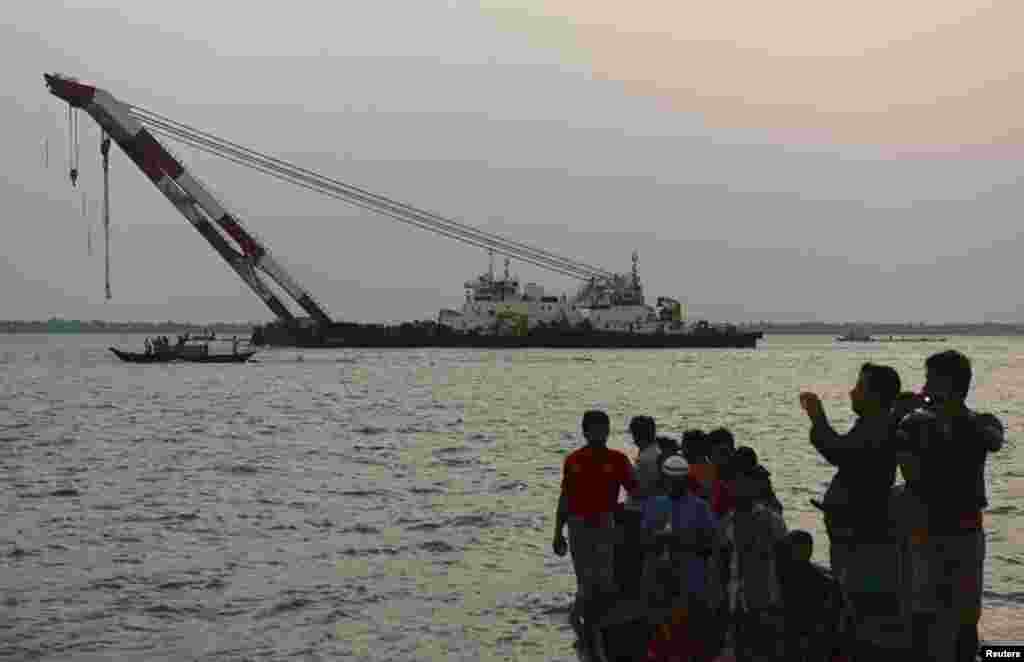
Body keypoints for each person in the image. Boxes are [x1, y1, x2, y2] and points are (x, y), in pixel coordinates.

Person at [893, 350, 1005, 662]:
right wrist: (897, 416)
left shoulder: (981, 422)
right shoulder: (915, 425)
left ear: (951, 384)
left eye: (931, 379)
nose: (925, 387)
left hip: (966, 533)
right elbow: (901, 463)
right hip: (926, 532)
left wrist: (949, 415)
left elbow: (994, 439)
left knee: (966, 617)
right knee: (923, 616)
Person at [800, 362, 902, 656]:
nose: (852, 392)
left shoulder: (879, 425)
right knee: (855, 605)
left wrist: (818, 418)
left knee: (863, 610)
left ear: (876, 395)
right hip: (853, 534)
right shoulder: (873, 424)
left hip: (861, 537)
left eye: (859, 387)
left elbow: (839, 451)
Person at [553, 410, 638, 648]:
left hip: (604, 522)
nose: (601, 433)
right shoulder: (573, 460)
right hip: (578, 525)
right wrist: (557, 532)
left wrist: (626, 513)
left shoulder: (618, 460)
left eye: (605, 428)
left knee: (605, 579)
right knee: (586, 579)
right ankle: (582, 626)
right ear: (585, 431)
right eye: (596, 429)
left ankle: (591, 627)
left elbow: (636, 490)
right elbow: (565, 497)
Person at [711, 452, 789, 662]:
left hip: (765, 601)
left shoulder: (771, 520)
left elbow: (784, 561)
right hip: (736, 601)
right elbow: (721, 563)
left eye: (742, 483)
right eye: (733, 484)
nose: (736, 489)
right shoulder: (727, 522)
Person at [639, 454, 717, 662]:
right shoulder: (653, 504)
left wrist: (682, 542)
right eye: (671, 480)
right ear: (665, 480)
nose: (674, 484)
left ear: (685, 480)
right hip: (660, 578)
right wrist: (658, 541)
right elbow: (644, 542)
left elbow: (710, 545)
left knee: (687, 634)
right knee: (660, 631)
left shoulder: (700, 507)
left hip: (690, 581)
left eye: (678, 480)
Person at [775, 530, 844, 662]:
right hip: (813, 635)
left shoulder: (785, 574)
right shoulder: (825, 582)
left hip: (799, 634)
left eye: (788, 548)